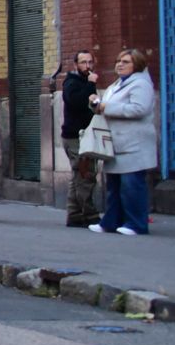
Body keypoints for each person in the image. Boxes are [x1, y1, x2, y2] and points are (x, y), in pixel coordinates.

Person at [89, 48, 157, 237]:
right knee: (114, 187)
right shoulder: (117, 84)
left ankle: (136, 224)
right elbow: (106, 107)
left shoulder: (141, 84)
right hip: (116, 143)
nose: (119, 64)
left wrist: (106, 106)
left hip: (133, 144)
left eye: (125, 62)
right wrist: (96, 103)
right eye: (118, 60)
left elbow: (139, 109)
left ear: (137, 64)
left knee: (132, 186)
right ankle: (111, 222)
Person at [60, 50, 102, 227]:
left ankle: (75, 214)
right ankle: (90, 215)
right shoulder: (72, 82)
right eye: (83, 63)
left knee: (78, 176)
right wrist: (91, 86)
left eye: (90, 62)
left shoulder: (83, 82)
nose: (88, 66)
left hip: (83, 136)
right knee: (86, 176)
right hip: (76, 137)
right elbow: (76, 102)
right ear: (76, 65)